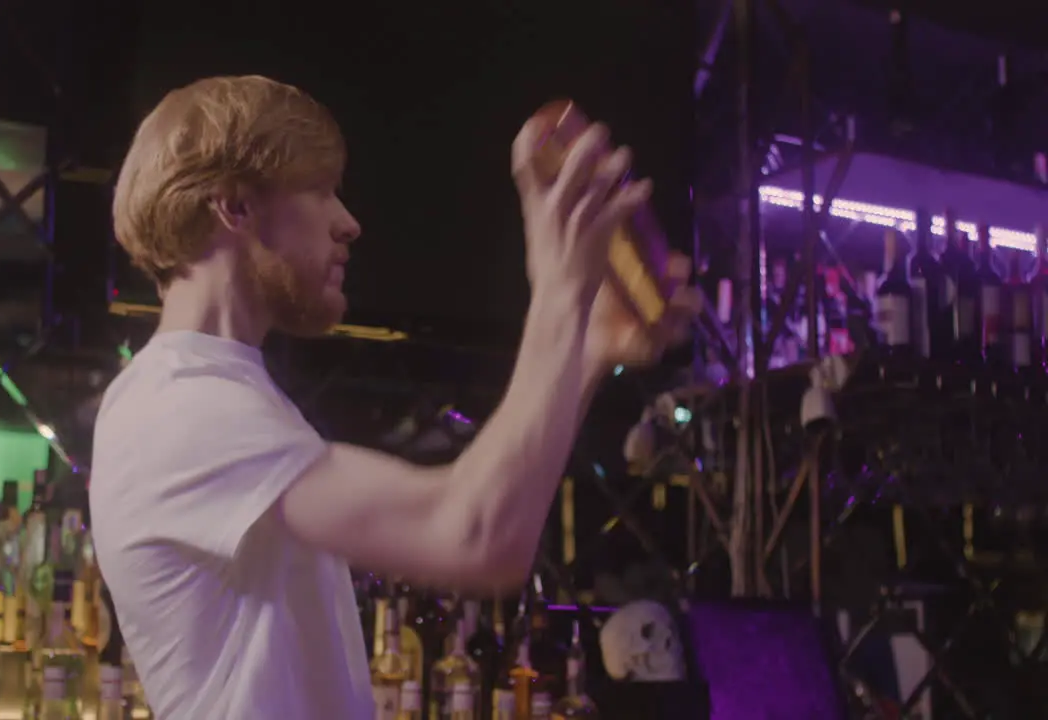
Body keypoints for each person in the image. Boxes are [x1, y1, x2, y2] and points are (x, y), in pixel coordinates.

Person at [90, 75, 700, 719]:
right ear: (235, 207)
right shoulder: (182, 407)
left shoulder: (213, 396)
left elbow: (490, 524)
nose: (348, 223)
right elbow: (475, 536)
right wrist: (557, 291)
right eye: (319, 191)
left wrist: (588, 345)